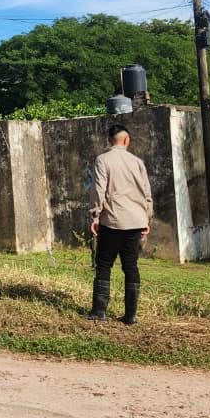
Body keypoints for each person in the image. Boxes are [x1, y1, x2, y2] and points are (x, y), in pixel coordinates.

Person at [89, 123, 153, 325]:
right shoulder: (137, 162)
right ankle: (131, 315)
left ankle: (99, 312)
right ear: (126, 140)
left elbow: (98, 190)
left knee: (104, 265)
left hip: (113, 220)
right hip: (136, 221)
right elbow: (147, 194)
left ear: (110, 140)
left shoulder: (103, 160)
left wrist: (95, 216)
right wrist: (146, 219)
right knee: (131, 266)